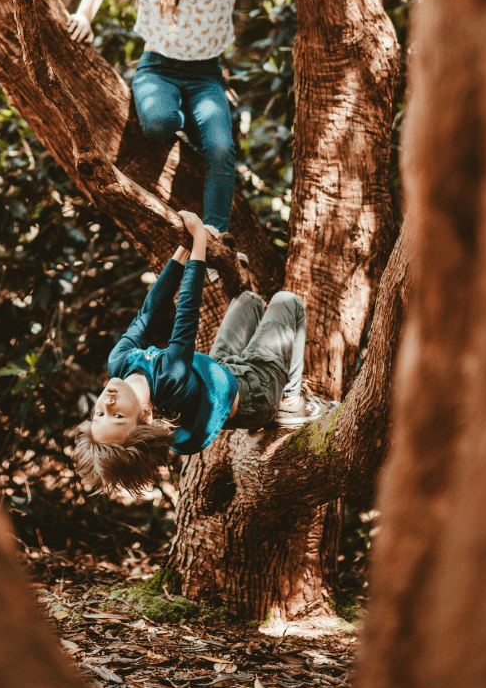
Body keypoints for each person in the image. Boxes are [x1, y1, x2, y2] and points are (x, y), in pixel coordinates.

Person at [66, 0, 287, 237]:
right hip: (158, 70)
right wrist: (83, 16)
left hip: (206, 76)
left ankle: (216, 233)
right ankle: (184, 117)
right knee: (159, 123)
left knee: (221, 149)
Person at [72, 210, 336, 498]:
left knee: (248, 300)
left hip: (220, 370)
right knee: (288, 302)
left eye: (100, 413)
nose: (107, 401)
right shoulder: (170, 378)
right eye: (118, 415)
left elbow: (150, 311)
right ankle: (290, 400)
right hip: (255, 392)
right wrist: (198, 238)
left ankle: (275, 387)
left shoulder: (119, 363)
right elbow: (186, 310)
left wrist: (183, 247)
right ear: (146, 416)